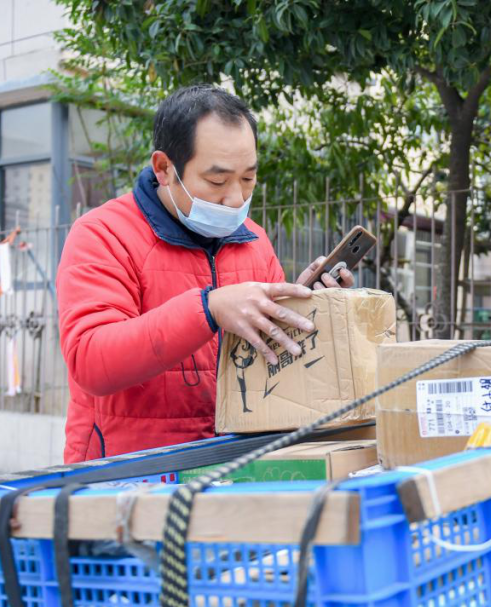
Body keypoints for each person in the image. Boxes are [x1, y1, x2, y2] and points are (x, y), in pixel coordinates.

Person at [57, 85, 351, 463]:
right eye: (217, 181)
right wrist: (208, 310)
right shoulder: (102, 234)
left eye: (248, 179)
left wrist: (306, 305)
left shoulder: (254, 241)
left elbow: (274, 362)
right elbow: (91, 361)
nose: (235, 198)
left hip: (233, 470)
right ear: (164, 168)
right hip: (128, 478)